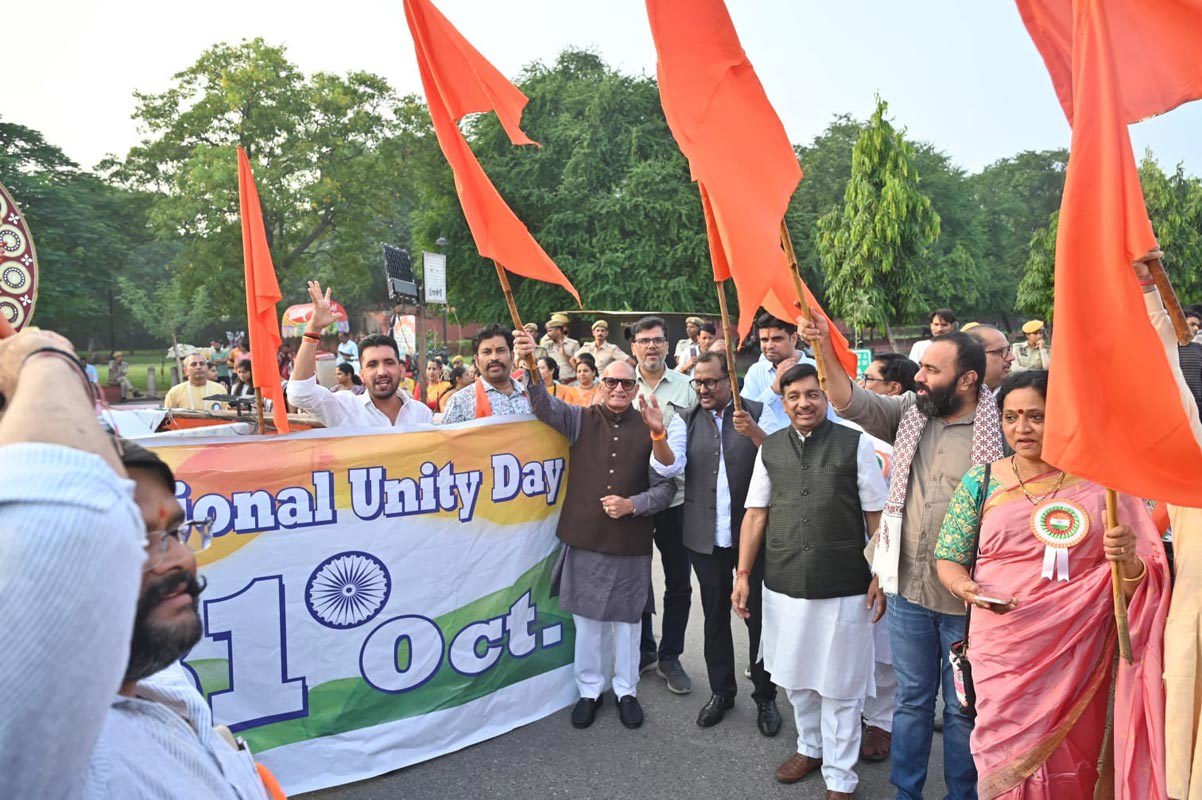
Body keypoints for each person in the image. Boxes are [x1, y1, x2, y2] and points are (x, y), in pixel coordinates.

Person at [0, 328, 277, 798]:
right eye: (131, 533)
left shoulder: (156, 678)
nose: (178, 560)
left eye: (172, 532)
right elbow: (49, 528)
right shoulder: (55, 746)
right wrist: (46, 359)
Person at [934, 370, 1169, 799]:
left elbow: (1142, 586)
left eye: (1036, 416)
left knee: (1073, 756)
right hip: (1001, 648)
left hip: (1077, 648)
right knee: (1001, 755)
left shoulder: (1104, 487)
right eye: (1011, 417)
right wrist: (967, 588)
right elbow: (948, 556)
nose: (1021, 429)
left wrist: (1128, 559)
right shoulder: (981, 481)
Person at [804, 312, 1002, 800]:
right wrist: (822, 345)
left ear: (968, 378)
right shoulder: (911, 415)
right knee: (912, 701)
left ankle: (963, 793)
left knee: (962, 706)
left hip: (969, 600)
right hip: (909, 589)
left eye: (932, 370)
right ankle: (906, 792)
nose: (919, 377)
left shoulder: (1004, 430)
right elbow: (846, 399)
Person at [732, 363, 888, 800]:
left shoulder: (854, 445)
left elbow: (876, 515)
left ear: (826, 398)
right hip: (782, 582)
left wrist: (881, 571)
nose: (804, 402)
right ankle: (810, 747)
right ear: (782, 402)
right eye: (794, 396)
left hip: (843, 585)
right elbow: (756, 514)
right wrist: (743, 575)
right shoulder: (771, 449)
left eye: (813, 394)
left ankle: (841, 776)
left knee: (839, 685)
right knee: (795, 677)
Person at [516, 329, 676, 730]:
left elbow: (667, 487)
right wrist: (531, 364)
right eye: (612, 382)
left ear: (635, 386)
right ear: (602, 386)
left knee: (627, 622)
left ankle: (626, 690)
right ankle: (589, 690)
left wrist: (632, 505)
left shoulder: (652, 426)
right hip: (585, 537)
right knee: (587, 623)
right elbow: (541, 405)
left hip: (630, 541)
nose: (619, 388)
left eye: (626, 382)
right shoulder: (579, 418)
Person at [649, 352, 782, 735]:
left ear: (731, 383)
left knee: (758, 617)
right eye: (698, 382)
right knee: (714, 619)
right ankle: (722, 691)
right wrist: (658, 434)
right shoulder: (687, 419)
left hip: (753, 537)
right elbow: (667, 466)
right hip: (704, 538)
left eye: (711, 382)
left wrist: (753, 432)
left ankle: (765, 696)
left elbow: (786, 459)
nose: (703, 389)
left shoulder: (757, 411)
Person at [629, 315, 697, 692]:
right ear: (633, 347)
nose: (651, 346)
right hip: (635, 501)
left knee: (678, 583)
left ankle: (670, 656)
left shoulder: (688, 388)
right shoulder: (620, 384)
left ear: (668, 346)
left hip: (679, 499)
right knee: (636, 578)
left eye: (657, 340)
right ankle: (644, 649)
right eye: (643, 341)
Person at [287, 281, 432, 429]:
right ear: (361, 374)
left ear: (401, 370)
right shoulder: (345, 409)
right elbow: (300, 393)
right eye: (372, 364)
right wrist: (313, 329)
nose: (382, 371)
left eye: (389, 362)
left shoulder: (421, 414)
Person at [442, 324, 533, 424]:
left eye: (500, 351)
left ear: (512, 356)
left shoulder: (532, 396)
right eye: (487, 352)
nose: (494, 357)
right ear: (477, 360)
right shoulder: (460, 402)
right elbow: (448, 438)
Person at [742, 313, 813, 405]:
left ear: (794, 339)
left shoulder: (816, 369)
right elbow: (746, 412)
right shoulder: (756, 372)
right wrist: (774, 390)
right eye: (764, 340)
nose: (769, 346)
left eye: (776, 339)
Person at [965, 325, 1016, 395]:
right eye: (999, 352)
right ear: (972, 357)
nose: (1011, 357)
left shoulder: (1022, 394)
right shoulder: (951, 398)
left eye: (1008, 350)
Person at [540, 313, 580, 383]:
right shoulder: (546, 344)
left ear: (558, 331)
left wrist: (564, 355)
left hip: (571, 382)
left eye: (550, 331)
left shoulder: (573, 344)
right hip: (554, 383)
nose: (548, 334)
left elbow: (579, 365)